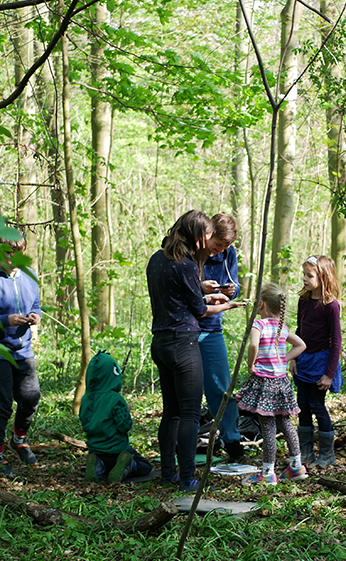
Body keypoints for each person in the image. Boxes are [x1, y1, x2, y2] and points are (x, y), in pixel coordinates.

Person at [147, 210, 238, 492]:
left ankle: (168, 474)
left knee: (171, 413)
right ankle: (187, 477)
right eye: (208, 235)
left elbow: (179, 297)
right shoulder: (186, 265)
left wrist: (205, 293)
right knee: (189, 413)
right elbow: (198, 311)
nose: (210, 241)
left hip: (160, 342)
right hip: (184, 343)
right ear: (197, 236)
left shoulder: (157, 259)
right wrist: (227, 305)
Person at [0, 233, 42, 479]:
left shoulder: (29, 276)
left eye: (18, 251)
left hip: (23, 349)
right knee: (1, 404)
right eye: (8, 252)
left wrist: (35, 317)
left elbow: (36, 306)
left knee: (31, 398)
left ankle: (19, 440)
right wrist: (5, 320)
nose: (14, 256)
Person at [235, 283, 307, 485]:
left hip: (265, 383)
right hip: (281, 382)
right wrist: (283, 360)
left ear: (262, 305)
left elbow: (254, 345)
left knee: (267, 427)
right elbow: (302, 345)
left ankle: (267, 473)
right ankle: (296, 466)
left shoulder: (259, 325)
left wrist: (251, 365)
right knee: (286, 423)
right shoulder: (282, 327)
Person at [197, 213, 246, 461]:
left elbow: (235, 284)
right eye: (218, 244)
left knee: (221, 387)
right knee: (189, 389)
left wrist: (231, 289)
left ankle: (232, 440)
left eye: (225, 246)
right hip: (188, 328)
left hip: (213, 327)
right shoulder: (192, 251)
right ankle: (188, 441)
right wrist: (201, 286)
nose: (220, 250)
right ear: (207, 235)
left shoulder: (229, 253)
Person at [291, 255, 342, 469]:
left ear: (323, 277)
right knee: (302, 405)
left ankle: (327, 453)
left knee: (316, 405)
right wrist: (292, 357)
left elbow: (337, 341)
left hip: (322, 361)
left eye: (309, 275)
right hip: (303, 359)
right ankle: (306, 452)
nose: (304, 279)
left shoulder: (331, 306)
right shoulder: (303, 300)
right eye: (304, 274)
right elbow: (298, 331)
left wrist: (329, 373)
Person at [80, 350, 153, 483]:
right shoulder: (115, 399)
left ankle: (98, 463)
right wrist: (127, 410)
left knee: (106, 463)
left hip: (96, 448)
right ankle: (129, 465)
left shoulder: (86, 399)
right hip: (117, 449)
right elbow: (124, 426)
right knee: (145, 466)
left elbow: (85, 423)